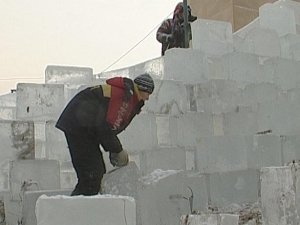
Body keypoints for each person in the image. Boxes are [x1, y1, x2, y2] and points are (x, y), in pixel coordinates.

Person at [55, 73, 155, 196]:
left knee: (96, 172)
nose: (148, 98)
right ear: (141, 89)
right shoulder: (124, 97)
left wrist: (114, 150)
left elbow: (107, 126)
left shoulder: (127, 95)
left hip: (85, 127)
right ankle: (74, 211)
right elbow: (105, 127)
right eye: (148, 93)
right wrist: (117, 150)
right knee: (91, 176)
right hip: (78, 126)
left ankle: (83, 208)